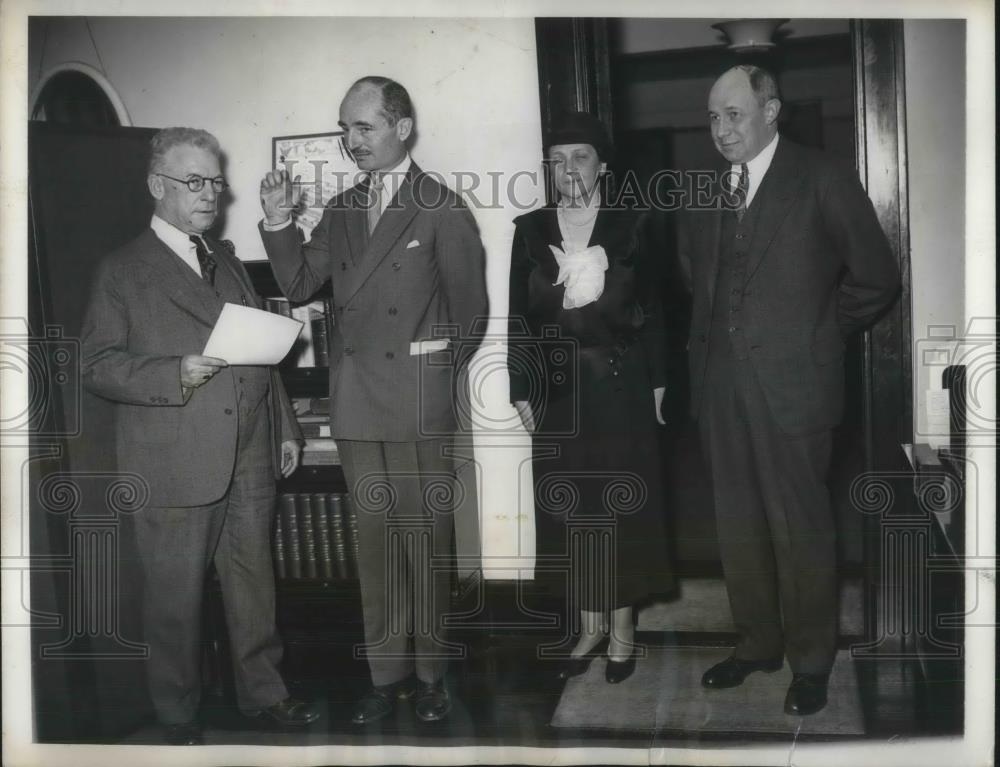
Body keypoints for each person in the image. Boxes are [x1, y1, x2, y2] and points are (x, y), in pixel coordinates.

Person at [259, 76, 488, 724]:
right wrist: (279, 222)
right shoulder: (339, 210)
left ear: (402, 128)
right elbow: (300, 283)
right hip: (357, 403)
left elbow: (471, 313)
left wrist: (433, 373)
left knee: (427, 543)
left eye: (363, 127)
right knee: (377, 545)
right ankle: (386, 676)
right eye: (345, 128)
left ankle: (433, 673)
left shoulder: (440, 205)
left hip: (418, 405)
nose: (350, 140)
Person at [81, 127, 318, 745]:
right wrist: (170, 373)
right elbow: (95, 363)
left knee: (253, 583)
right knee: (175, 598)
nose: (210, 194)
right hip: (174, 456)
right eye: (194, 181)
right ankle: (178, 713)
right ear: (157, 186)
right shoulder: (122, 270)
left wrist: (284, 427)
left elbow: (258, 353)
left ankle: (265, 694)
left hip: (248, 452)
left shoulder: (229, 260)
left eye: (214, 181)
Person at [681, 65, 900, 715]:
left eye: (735, 115)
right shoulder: (702, 190)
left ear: (771, 110)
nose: (722, 129)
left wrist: (818, 331)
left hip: (796, 385)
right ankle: (756, 644)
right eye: (714, 117)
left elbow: (877, 277)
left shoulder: (822, 177)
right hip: (721, 387)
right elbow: (697, 279)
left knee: (800, 528)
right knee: (737, 528)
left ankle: (810, 661)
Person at [508, 112, 672, 685]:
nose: (567, 168)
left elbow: (656, 314)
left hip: (621, 386)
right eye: (557, 159)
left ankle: (623, 631)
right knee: (569, 511)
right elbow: (518, 321)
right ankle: (589, 626)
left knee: (621, 509)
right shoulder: (529, 230)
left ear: (603, 165)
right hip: (555, 393)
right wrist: (520, 387)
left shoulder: (635, 223)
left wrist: (658, 387)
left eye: (579, 156)